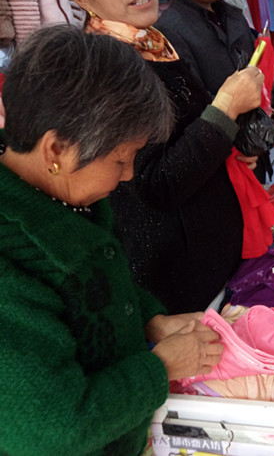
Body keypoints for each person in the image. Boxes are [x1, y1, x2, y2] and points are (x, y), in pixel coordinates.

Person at [0, 24, 224, 455]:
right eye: (120, 160)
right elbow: (52, 429)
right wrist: (161, 367)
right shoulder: (12, 259)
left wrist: (150, 319)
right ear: (56, 151)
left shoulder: (69, 196)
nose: (128, 175)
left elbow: (99, 284)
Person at [54, 0, 266, 314]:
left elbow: (183, 135)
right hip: (176, 284)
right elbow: (156, 183)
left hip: (209, 264)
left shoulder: (151, 43)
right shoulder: (106, 69)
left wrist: (226, 145)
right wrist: (225, 109)